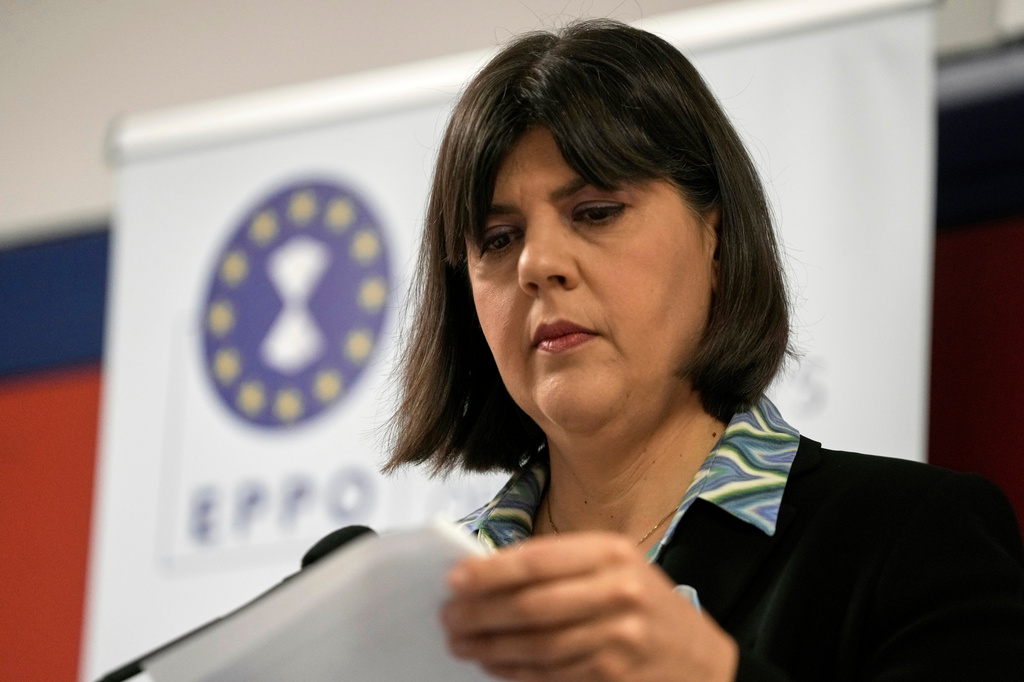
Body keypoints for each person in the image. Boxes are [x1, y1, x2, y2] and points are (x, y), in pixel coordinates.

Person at [381, 18, 1024, 681]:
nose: (537, 265)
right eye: (498, 237)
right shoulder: (424, 611)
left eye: (596, 211)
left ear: (713, 237)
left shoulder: (911, 539)